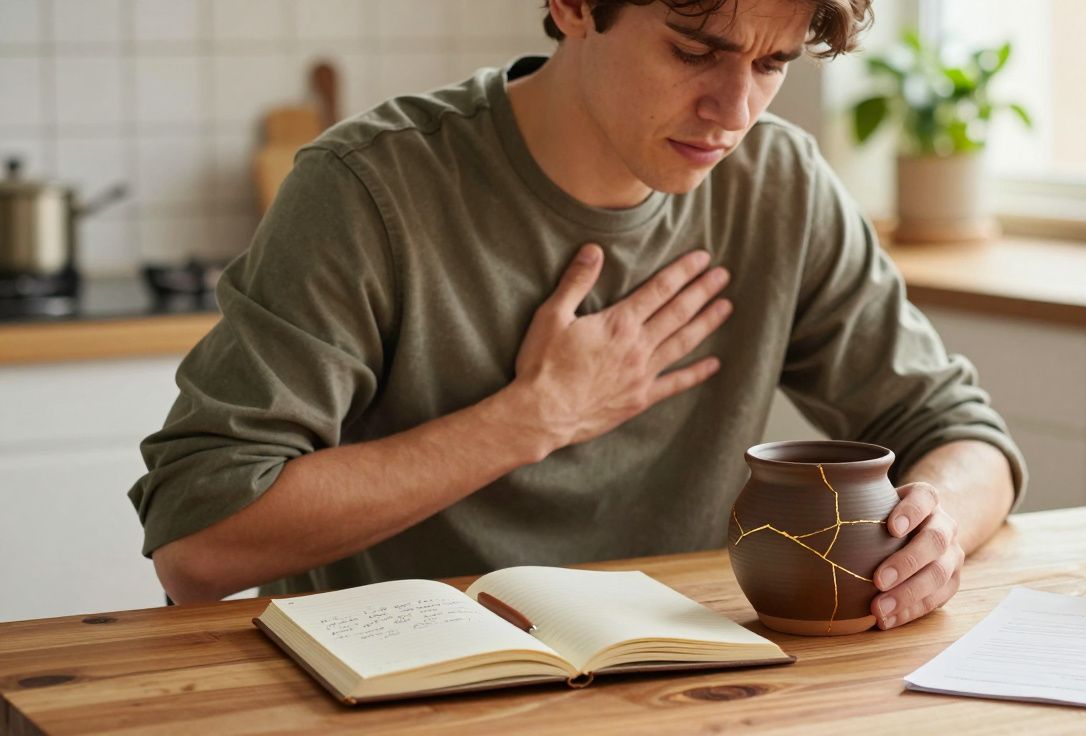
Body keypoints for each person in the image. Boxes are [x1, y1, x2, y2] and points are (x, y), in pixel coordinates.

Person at [130, 0, 1027, 632]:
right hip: (399, 692)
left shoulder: (780, 185)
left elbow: (959, 432)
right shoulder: (369, 189)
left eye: (771, 64)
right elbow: (198, 543)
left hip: (686, 684)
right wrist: (528, 421)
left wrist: (938, 518)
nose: (735, 110)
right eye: (692, 51)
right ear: (571, 6)